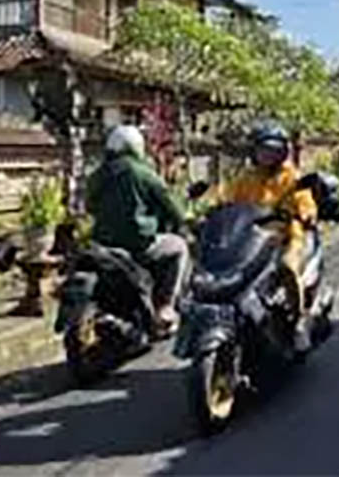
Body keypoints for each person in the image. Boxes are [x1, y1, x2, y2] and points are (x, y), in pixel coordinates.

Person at [209, 120, 317, 352]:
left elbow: (305, 203)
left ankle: (298, 321)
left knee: (288, 267)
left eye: (273, 150)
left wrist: (305, 214)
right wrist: (212, 210)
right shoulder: (245, 178)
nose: (267, 155)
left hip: (285, 237)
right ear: (254, 151)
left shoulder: (292, 178)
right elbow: (226, 200)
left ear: (283, 152)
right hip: (249, 239)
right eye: (263, 150)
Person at [85, 124, 189, 338]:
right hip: (138, 244)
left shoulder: (97, 174)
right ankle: (165, 308)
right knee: (179, 247)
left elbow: (89, 207)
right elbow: (174, 209)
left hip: (102, 245)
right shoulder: (142, 172)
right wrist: (184, 219)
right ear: (136, 147)